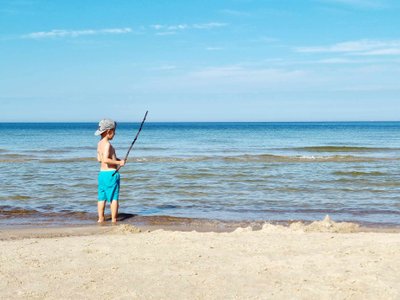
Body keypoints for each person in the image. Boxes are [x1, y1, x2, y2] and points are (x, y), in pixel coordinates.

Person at [95, 119, 125, 223]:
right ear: (109, 132)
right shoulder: (107, 144)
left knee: (101, 197)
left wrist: (117, 160)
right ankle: (114, 219)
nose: (115, 133)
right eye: (114, 131)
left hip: (102, 174)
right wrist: (119, 163)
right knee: (114, 198)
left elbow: (99, 159)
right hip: (111, 174)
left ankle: (101, 218)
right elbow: (105, 160)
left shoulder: (99, 144)